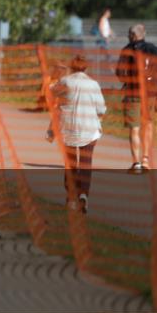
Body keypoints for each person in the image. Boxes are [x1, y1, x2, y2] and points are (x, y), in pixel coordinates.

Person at [46, 55, 106, 213]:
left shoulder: (66, 81)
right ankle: (84, 195)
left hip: (68, 128)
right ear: (86, 67)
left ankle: (71, 197)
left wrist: (52, 81)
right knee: (86, 163)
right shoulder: (93, 84)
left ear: (72, 67)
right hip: (89, 129)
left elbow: (50, 93)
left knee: (71, 163)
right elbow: (101, 109)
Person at [116, 23, 157, 174]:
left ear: (132, 35)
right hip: (151, 94)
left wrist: (128, 80)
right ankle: (146, 159)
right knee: (148, 124)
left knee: (134, 128)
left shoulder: (127, 50)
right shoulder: (154, 49)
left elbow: (119, 73)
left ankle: (136, 163)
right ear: (143, 34)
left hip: (133, 93)